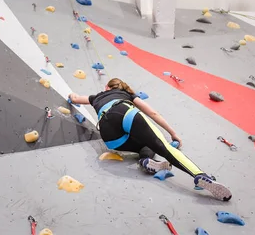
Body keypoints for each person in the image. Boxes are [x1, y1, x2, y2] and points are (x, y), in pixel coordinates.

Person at [68, 78, 232, 201]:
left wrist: (71, 95)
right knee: (164, 148)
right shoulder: (128, 94)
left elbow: (75, 99)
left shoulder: (96, 97)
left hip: (109, 136)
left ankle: (145, 159)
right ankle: (199, 175)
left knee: (144, 145)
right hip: (123, 111)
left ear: (107, 87)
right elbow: (153, 114)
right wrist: (172, 133)